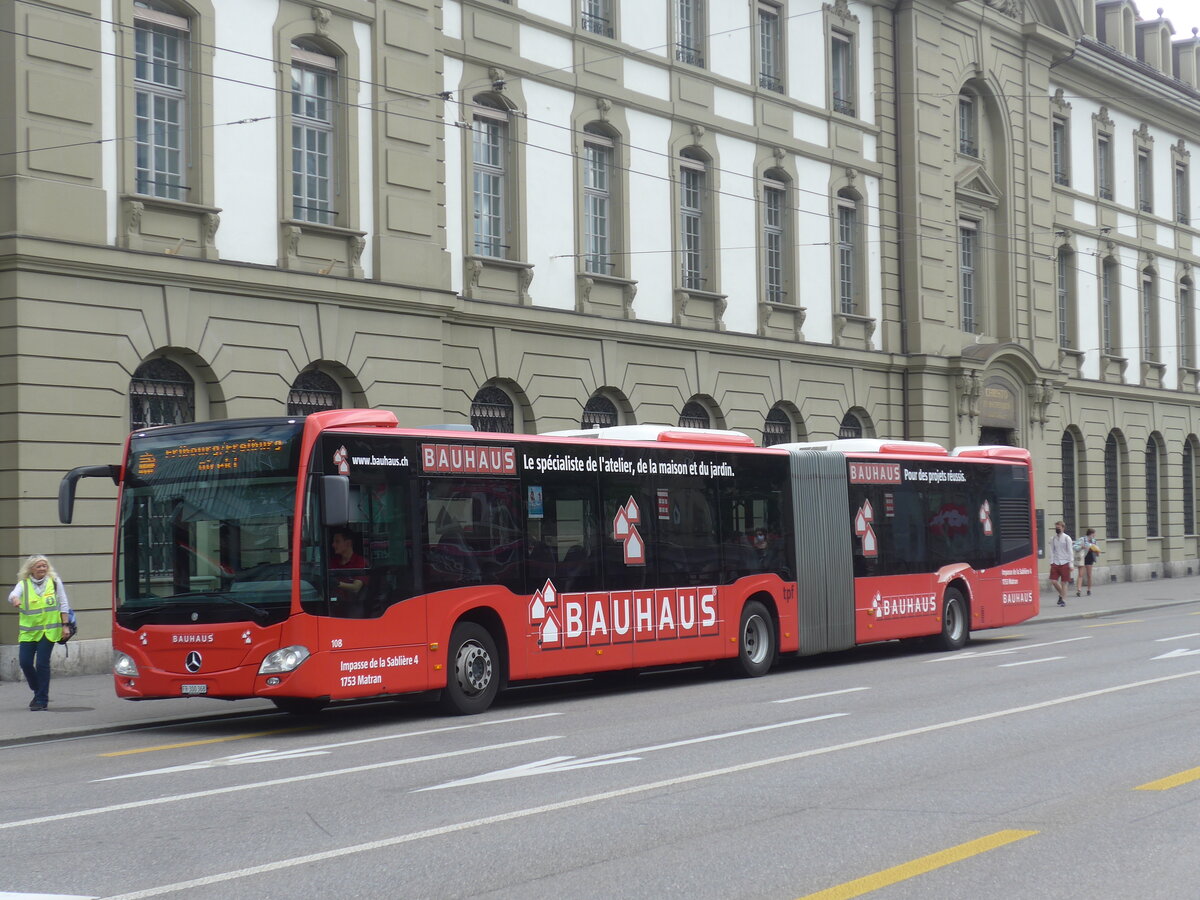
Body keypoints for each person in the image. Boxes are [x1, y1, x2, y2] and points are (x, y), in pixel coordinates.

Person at [7, 554, 71, 711]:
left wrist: (65, 625)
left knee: (42, 664)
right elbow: (13, 595)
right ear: (31, 569)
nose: (42, 568)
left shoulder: (54, 582)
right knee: (25, 663)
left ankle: (42, 699)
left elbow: (63, 604)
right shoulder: (24, 584)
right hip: (29, 632)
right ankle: (38, 690)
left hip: (48, 632)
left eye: (44, 566)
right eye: (39, 566)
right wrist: (15, 599)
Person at [329, 527, 368, 615]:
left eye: (337, 541)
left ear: (348, 543)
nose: (333, 545)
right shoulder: (333, 562)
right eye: (333, 541)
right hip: (333, 606)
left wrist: (337, 583)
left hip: (353, 608)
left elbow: (356, 588)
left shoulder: (360, 562)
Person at [1048, 521, 1074, 607]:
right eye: (1056, 528)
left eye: (1058, 528)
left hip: (1065, 562)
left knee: (1064, 582)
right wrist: (1051, 562)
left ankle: (1063, 600)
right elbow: (1051, 550)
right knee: (1054, 581)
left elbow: (1070, 551)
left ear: (1063, 528)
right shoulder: (1053, 538)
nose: (1057, 529)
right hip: (1055, 562)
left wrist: (1071, 564)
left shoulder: (1067, 538)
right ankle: (1061, 594)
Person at [1077, 528, 1100, 597]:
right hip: (1082, 558)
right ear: (1091, 534)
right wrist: (1081, 547)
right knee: (1080, 574)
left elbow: (1097, 550)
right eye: (1094, 534)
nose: (1095, 535)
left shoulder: (1094, 541)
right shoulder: (1082, 539)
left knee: (1089, 575)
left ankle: (1089, 589)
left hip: (1090, 558)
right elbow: (1075, 546)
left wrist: (1097, 552)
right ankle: (1079, 590)